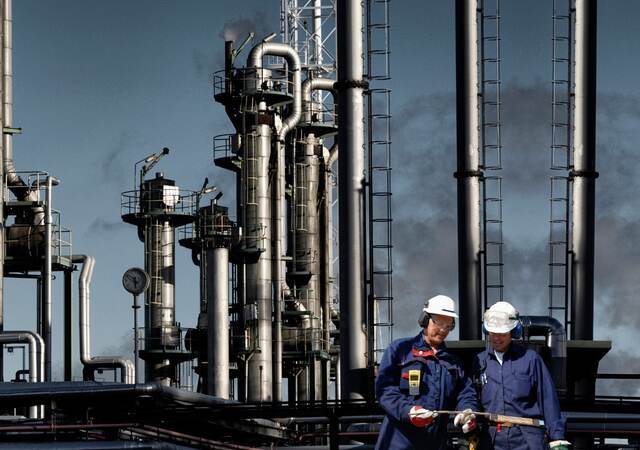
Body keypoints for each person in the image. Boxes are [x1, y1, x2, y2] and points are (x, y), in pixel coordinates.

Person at [375, 295, 480, 450]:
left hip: (434, 443)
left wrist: (468, 411)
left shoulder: (453, 362)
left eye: (448, 325)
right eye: (439, 323)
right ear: (424, 320)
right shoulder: (400, 350)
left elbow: (465, 393)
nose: (443, 330)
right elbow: (384, 391)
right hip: (398, 443)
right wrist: (408, 411)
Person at [473, 301, 571, 450]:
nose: (497, 338)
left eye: (502, 334)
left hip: (527, 440)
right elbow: (470, 396)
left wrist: (557, 438)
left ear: (514, 332)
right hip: (491, 440)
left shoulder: (531, 360)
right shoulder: (479, 362)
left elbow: (548, 400)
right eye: (493, 333)